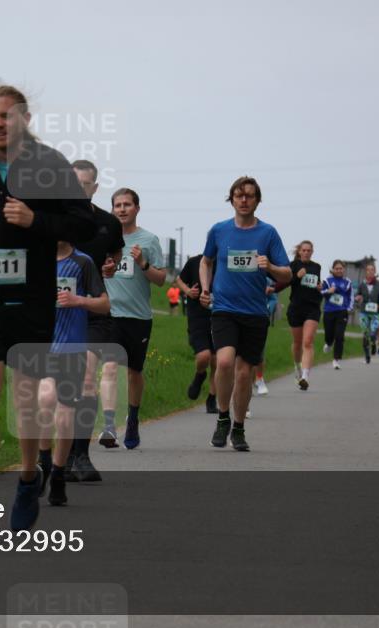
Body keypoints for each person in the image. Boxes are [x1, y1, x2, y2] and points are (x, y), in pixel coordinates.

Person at [0, 84, 94, 532]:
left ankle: (30, 477)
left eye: (6, 116)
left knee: (25, 395)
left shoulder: (50, 164)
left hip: (32, 295)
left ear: (24, 119)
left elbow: (81, 222)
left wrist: (37, 221)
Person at [199, 176, 291, 452]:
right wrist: (205, 288)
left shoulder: (268, 233)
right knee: (224, 362)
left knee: (243, 373)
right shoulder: (219, 230)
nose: (244, 200)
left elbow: (286, 272)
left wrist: (270, 266)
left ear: (257, 200)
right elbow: (206, 261)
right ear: (232, 199)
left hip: (254, 312)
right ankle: (223, 417)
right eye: (239, 196)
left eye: (249, 196)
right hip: (224, 309)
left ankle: (238, 427)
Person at [36, 241, 109, 506]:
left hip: (72, 347)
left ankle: (57, 474)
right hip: (43, 344)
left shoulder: (83, 262)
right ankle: (44, 459)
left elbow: (105, 304)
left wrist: (78, 300)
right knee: (45, 400)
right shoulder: (36, 259)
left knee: (65, 414)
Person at [98, 188, 166, 450]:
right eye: (118, 205)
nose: (122, 209)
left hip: (138, 317)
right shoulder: (104, 238)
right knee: (111, 368)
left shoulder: (148, 240)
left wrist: (143, 264)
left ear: (137, 208)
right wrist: (103, 269)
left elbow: (161, 280)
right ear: (113, 209)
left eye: (127, 204)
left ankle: (134, 418)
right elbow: (93, 271)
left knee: (134, 372)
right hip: (111, 314)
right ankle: (108, 426)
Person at [69, 159, 124, 483]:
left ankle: (81, 455)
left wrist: (110, 267)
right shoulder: (52, 222)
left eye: (84, 185)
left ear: (94, 188)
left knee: (87, 380)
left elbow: (115, 254)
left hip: (94, 312)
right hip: (59, 313)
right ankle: (53, 457)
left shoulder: (107, 223)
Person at [175, 254, 218, 414]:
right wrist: (187, 291)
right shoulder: (194, 262)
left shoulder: (224, 264)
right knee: (204, 356)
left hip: (220, 317)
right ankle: (200, 375)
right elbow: (178, 280)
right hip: (197, 317)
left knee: (217, 362)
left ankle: (212, 399)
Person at [286, 240, 323, 391]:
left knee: (308, 342)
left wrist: (320, 287)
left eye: (309, 250)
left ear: (312, 251)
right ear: (299, 252)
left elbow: (316, 283)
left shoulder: (316, 267)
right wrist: (297, 276)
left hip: (312, 308)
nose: (306, 252)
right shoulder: (293, 265)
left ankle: (305, 376)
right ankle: (297, 367)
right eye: (304, 250)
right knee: (297, 342)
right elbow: (287, 282)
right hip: (296, 308)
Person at [321, 259, 354, 370]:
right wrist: (328, 291)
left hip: (342, 311)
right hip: (329, 311)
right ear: (333, 270)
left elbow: (351, 296)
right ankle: (328, 343)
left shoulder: (347, 282)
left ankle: (336, 359)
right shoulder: (327, 280)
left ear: (343, 269)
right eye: (337, 269)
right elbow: (320, 292)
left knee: (339, 336)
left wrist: (348, 308)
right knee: (329, 334)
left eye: (341, 268)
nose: (339, 270)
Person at [354, 263, 379, 363]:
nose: (370, 272)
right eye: (368, 270)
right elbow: (357, 295)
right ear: (366, 272)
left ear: (375, 271)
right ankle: (367, 355)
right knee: (365, 334)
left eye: (372, 270)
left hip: (375, 313)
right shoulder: (362, 284)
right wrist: (357, 298)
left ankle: (373, 344)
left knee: (372, 333)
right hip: (364, 312)